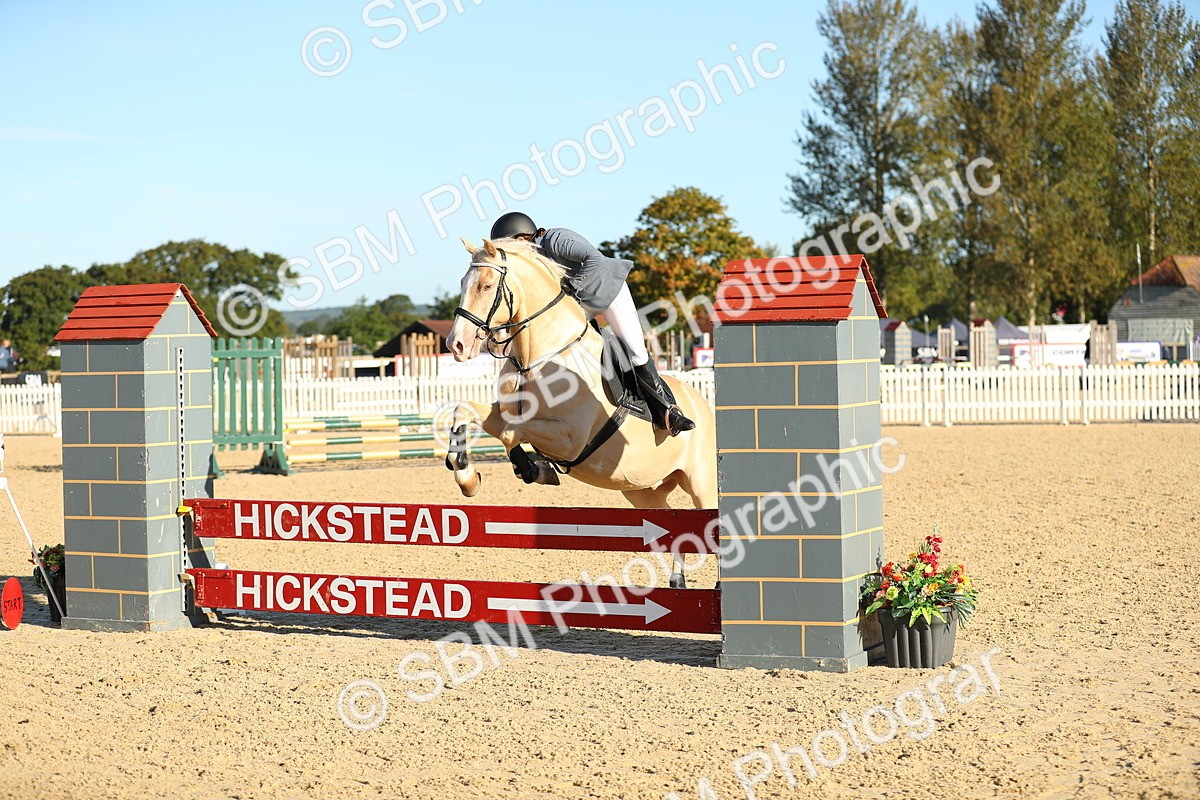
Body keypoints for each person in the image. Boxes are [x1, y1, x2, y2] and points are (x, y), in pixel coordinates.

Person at [489, 211, 695, 436]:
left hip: (609, 292)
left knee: (635, 352)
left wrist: (573, 285)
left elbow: (595, 259)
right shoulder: (537, 258)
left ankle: (668, 411)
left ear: (521, 240)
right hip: (583, 302)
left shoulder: (556, 239)